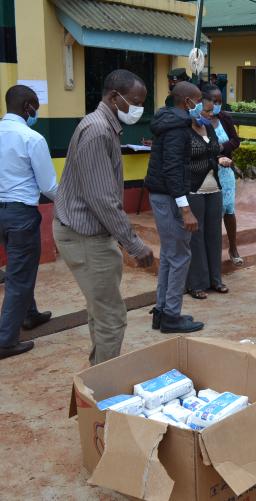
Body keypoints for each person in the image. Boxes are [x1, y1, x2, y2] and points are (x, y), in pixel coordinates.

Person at [53, 70, 155, 365]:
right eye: (135, 102)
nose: (138, 110)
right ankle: (102, 390)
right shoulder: (98, 131)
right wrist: (134, 244)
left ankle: (96, 378)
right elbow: (103, 200)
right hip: (85, 236)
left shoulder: (101, 126)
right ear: (114, 97)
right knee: (112, 318)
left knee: (101, 310)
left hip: (86, 233)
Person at [0, 85, 58, 359]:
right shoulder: (31, 138)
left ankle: (29, 314)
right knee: (19, 277)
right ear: (27, 108)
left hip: (2, 213)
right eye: (35, 107)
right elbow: (49, 186)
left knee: (18, 267)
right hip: (20, 213)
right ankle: (5, 340)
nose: (36, 112)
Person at [144, 81, 204, 334]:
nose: (201, 105)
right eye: (199, 100)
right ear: (187, 101)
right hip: (169, 197)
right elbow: (172, 169)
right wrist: (186, 209)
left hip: (162, 195)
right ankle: (171, 316)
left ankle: (162, 310)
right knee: (180, 256)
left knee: (170, 254)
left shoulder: (169, 121)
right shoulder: (177, 128)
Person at [184, 91, 226, 299]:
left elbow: (214, 151)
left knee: (214, 235)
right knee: (196, 237)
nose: (210, 114)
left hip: (214, 188)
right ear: (195, 109)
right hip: (194, 189)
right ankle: (196, 283)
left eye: (211, 111)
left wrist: (220, 158)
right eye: (207, 110)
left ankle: (215, 279)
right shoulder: (184, 130)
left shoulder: (209, 127)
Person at [204, 84, 243, 266]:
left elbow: (236, 141)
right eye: (214, 101)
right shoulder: (198, 120)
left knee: (229, 208)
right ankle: (212, 252)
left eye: (220, 101)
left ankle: (233, 247)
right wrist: (214, 153)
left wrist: (222, 148)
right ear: (204, 101)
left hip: (226, 170)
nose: (217, 104)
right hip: (207, 171)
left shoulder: (225, 118)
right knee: (213, 212)